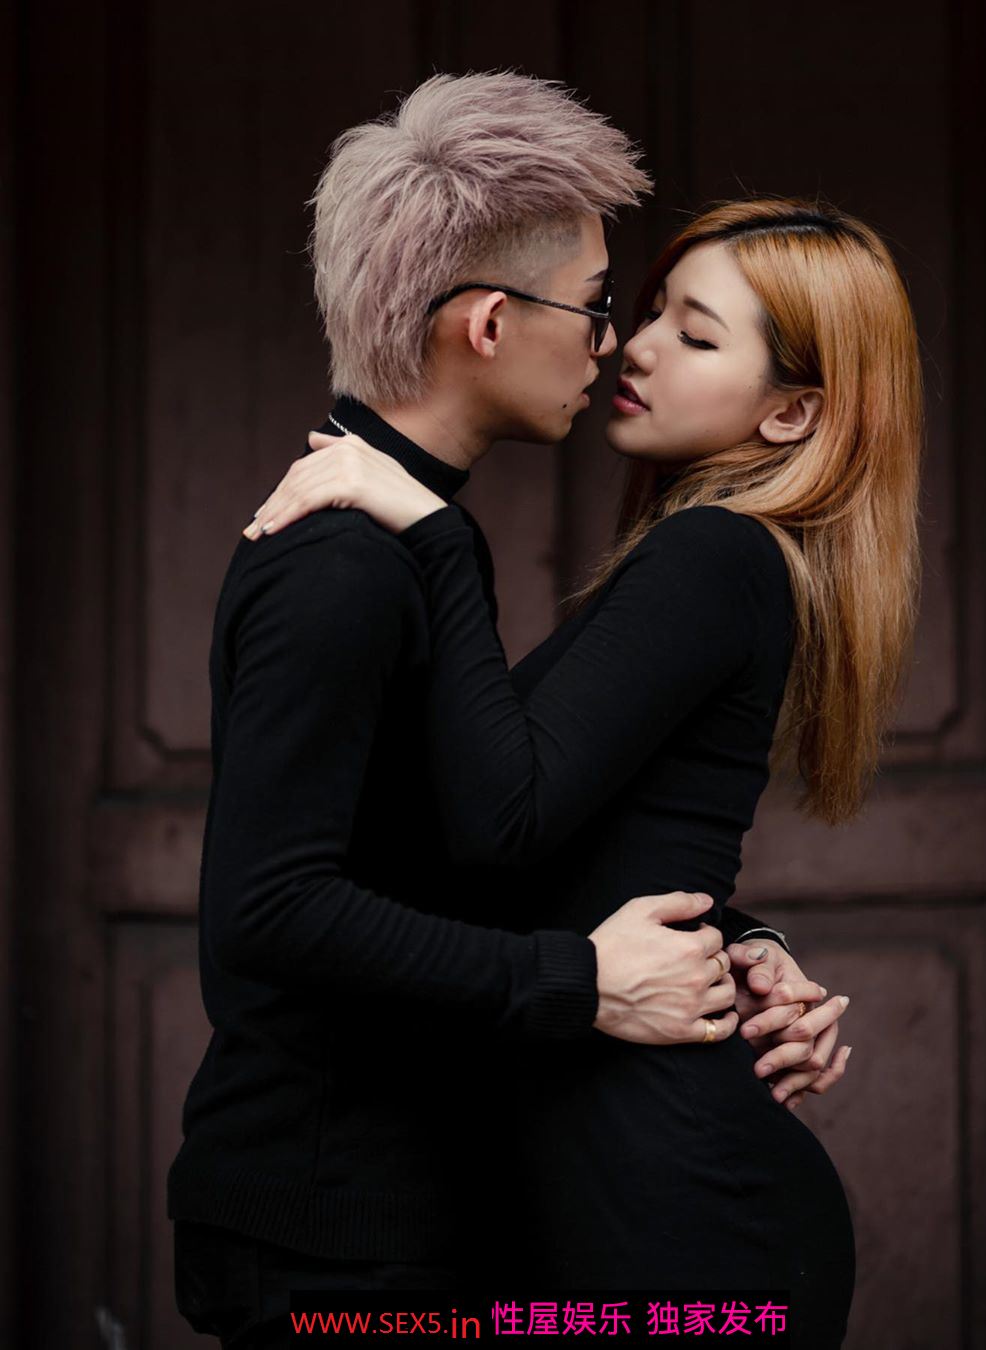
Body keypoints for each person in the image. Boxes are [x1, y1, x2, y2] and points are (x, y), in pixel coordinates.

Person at [169, 76, 847, 1348]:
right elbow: (270, 909)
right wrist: (579, 980)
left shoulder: (414, 544)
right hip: (331, 1243)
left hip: (421, 1217)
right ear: (489, 322)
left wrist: (734, 945)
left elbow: (450, 848)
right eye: (600, 307)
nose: (613, 344)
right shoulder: (345, 564)